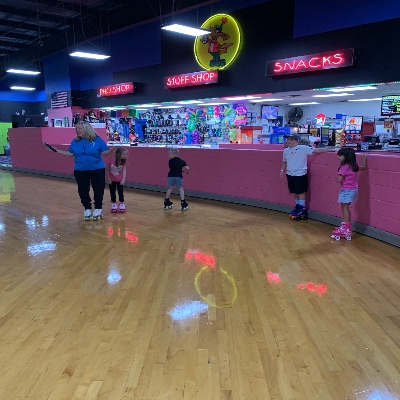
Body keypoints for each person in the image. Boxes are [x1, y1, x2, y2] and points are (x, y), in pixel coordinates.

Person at [45, 121, 116, 221]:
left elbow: (105, 152)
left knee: (98, 189)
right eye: (76, 129)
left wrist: (112, 150)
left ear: (87, 129)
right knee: (83, 190)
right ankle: (87, 208)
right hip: (80, 170)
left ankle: (98, 208)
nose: (77, 130)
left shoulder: (98, 140)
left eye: (79, 128)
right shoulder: (75, 141)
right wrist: (57, 151)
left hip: (97, 169)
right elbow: (71, 153)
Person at [280, 133, 334, 220]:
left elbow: (316, 150)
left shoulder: (303, 148)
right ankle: (297, 206)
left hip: (300, 173)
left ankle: (302, 208)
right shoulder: (286, 150)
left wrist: (332, 149)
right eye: (288, 139)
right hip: (290, 173)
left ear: (297, 141)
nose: (289, 141)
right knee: (294, 191)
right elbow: (284, 161)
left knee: (301, 191)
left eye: (291, 139)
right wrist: (282, 170)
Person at [331, 147, 368, 240]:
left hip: (346, 190)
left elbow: (338, 180)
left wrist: (337, 178)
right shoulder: (354, 166)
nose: (338, 157)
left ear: (346, 157)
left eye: (340, 155)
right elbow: (364, 168)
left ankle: (346, 228)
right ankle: (344, 226)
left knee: (345, 208)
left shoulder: (344, 168)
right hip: (353, 189)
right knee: (345, 207)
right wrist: (364, 158)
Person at [106, 147, 128, 213]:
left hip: (119, 180)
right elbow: (106, 170)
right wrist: (108, 179)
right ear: (119, 154)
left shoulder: (123, 161)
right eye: (124, 154)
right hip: (112, 180)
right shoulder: (110, 161)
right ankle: (114, 203)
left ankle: (121, 203)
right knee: (112, 192)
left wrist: (123, 179)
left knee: (120, 192)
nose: (125, 156)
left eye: (126, 154)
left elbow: (124, 170)